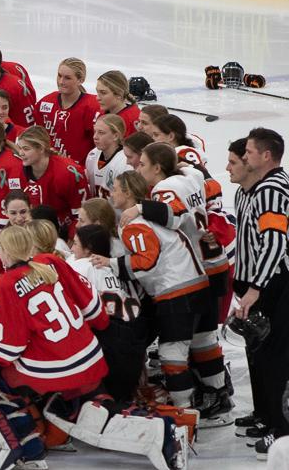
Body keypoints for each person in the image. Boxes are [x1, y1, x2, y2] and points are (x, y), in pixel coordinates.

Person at [0, 225, 109, 467]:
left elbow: (8, 349)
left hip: (56, 370)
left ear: (4, 252)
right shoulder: (50, 261)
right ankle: (61, 418)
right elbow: (93, 307)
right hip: (92, 356)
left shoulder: (1, 288)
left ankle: (29, 444)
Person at [125, 143, 231, 424]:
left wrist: (139, 207)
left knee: (175, 349)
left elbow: (173, 216)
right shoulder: (191, 174)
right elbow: (210, 189)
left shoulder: (163, 189)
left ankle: (185, 412)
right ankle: (219, 393)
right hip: (211, 265)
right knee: (204, 339)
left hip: (189, 270)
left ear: (158, 167)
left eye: (142, 164)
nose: (137, 168)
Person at [93, 171, 210, 409]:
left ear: (127, 192)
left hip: (177, 291)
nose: (111, 193)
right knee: (202, 345)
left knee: (172, 354)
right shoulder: (150, 212)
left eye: (115, 189)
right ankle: (213, 395)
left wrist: (111, 264)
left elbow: (147, 260)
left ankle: (183, 411)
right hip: (195, 284)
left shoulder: (134, 223)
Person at [233, 128, 289, 459]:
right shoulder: (252, 191)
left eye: (249, 151)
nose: (244, 156)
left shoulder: (271, 190)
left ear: (265, 156)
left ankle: (281, 430)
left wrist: (256, 287)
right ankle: (266, 415)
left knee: (274, 354)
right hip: (256, 281)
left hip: (273, 283)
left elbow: (275, 242)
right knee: (257, 349)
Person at [69, 224, 146, 402]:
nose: (72, 249)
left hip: (109, 341)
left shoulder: (80, 265)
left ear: (88, 249)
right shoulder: (112, 266)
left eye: (75, 244)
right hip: (133, 337)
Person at [17, 125, 89, 237]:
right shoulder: (18, 171)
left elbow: (81, 215)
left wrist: (72, 240)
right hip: (32, 233)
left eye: (26, 149)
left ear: (41, 149)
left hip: (63, 234)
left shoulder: (68, 172)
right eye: (19, 148)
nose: (21, 153)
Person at [33, 57, 101, 164]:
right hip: (49, 167)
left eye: (67, 78)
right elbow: (37, 135)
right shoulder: (46, 102)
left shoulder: (92, 107)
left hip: (80, 172)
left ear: (80, 80)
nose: (61, 81)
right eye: (59, 76)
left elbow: (101, 146)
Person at [85, 114, 132, 200]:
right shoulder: (93, 154)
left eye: (101, 133)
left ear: (116, 136)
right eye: (95, 131)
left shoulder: (125, 162)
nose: (95, 137)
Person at [96, 70, 140, 136]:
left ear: (119, 94)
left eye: (103, 93)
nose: (97, 98)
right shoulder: (101, 114)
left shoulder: (131, 120)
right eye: (97, 92)